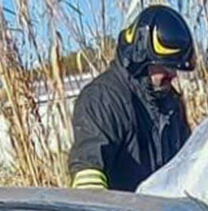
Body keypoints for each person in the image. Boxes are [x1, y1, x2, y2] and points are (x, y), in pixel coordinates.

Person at [68, 5, 195, 192]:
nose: (173, 74)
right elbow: (89, 175)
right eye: (165, 66)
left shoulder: (170, 103)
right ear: (139, 59)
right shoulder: (103, 99)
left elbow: (189, 165)